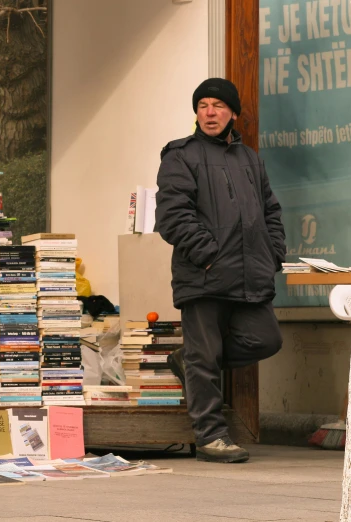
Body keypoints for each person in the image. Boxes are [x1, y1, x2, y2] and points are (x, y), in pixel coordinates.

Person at [154, 78, 286, 464]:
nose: (210, 112)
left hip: (251, 275)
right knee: (205, 356)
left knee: (266, 339)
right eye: (203, 106)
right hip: (204, 275)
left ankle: (187, 360)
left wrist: (273, 253)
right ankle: (211, 437)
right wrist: (208, 255)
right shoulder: (180, 155)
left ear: (232, 112)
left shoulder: (249, 159)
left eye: (218, 106)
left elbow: (271, 211)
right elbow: (173, 217)